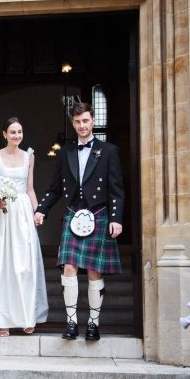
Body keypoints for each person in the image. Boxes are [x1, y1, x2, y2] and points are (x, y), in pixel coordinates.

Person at [34, 102, 124, 341]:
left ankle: (93, 324)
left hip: (99, 215)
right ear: (73, 124)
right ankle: (72, 323)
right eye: (77, 122)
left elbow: (117, 189)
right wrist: (42, 209)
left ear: (92, 121)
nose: (82, 125)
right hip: (74, 215)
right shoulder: (66, 152)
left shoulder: (108, 151)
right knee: (69, 268)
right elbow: (55, 188)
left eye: (85, 120)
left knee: (94, 271)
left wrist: (116, 219)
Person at [0, 117, 48, 336]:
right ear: (4, 134)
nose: (17, 136)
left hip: (22, 214)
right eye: (12, 132)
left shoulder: (28, 156)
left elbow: (30, 188)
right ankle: (1, 319)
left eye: (20, 132)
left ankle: (26, 317)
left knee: (24, 267)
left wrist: (37, 211)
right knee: (0, 265)